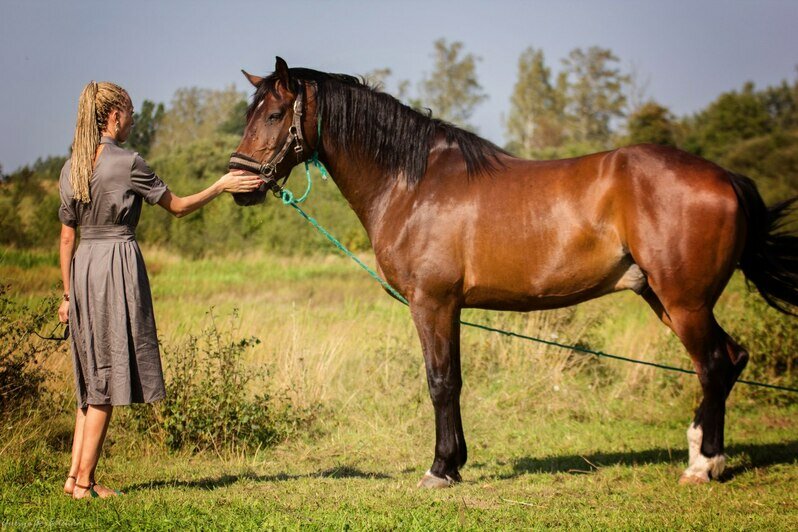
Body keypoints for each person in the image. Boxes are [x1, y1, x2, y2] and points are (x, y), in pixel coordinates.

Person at [57, 81, 260, 499]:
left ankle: (72, 476)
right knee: (108, 379)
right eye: (130, 113)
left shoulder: (71, 166)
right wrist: (222, 186)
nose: (133, 120)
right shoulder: (128, 162)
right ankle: (85, 484)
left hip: (81, 269)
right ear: (115, 116)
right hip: (114, 265)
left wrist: (65, 296)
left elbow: (65, 238)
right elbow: (180, 207)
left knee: (90, 376)